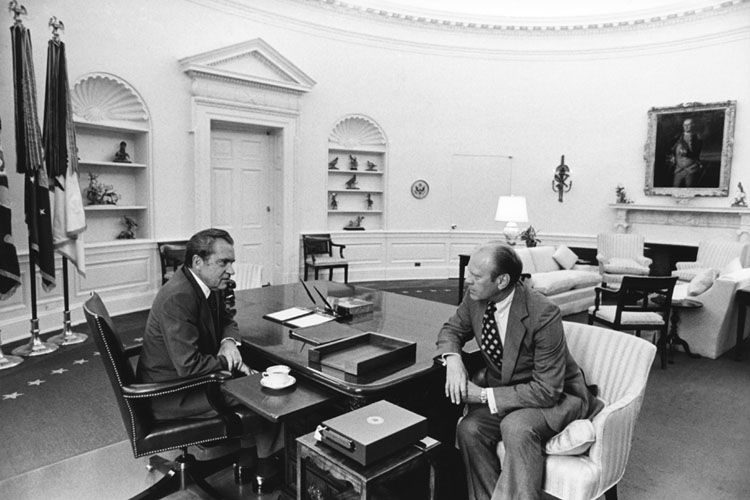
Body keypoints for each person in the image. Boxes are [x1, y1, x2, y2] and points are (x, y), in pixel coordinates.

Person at [437, 242, 602, 500]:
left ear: (502, 281)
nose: (468, 281)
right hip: (510, 394)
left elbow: (547, 390)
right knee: (469, 429)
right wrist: (454, 360)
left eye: (476, 276)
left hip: (558, 397)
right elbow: (452, 330)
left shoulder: (543, 313)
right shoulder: (475, 298)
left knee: (516, 426)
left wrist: (483, 395)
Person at [136, 228, 281, 491]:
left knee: (252, 379)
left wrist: (228, 342)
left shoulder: (207, 283)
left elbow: (227, 319)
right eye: (223, 262)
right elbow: (189, 365)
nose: (231, 270)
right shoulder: (178, 297)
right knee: (263, 392)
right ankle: (266, 463)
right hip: (172, 393)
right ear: (197, 262)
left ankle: (248, 457)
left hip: (184, 379)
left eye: (232, 262)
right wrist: (232, 363)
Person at [671, 117, 703, 187]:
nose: (686, 126)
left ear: (693, 126)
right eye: (684, 125)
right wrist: (674, 156)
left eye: (688, 125)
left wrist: (687, 153)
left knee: (689, 189)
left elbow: (696, 153)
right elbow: (672, 148)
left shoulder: (697, 138)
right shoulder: (678, 137)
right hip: (678, 169)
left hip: (691, 169)